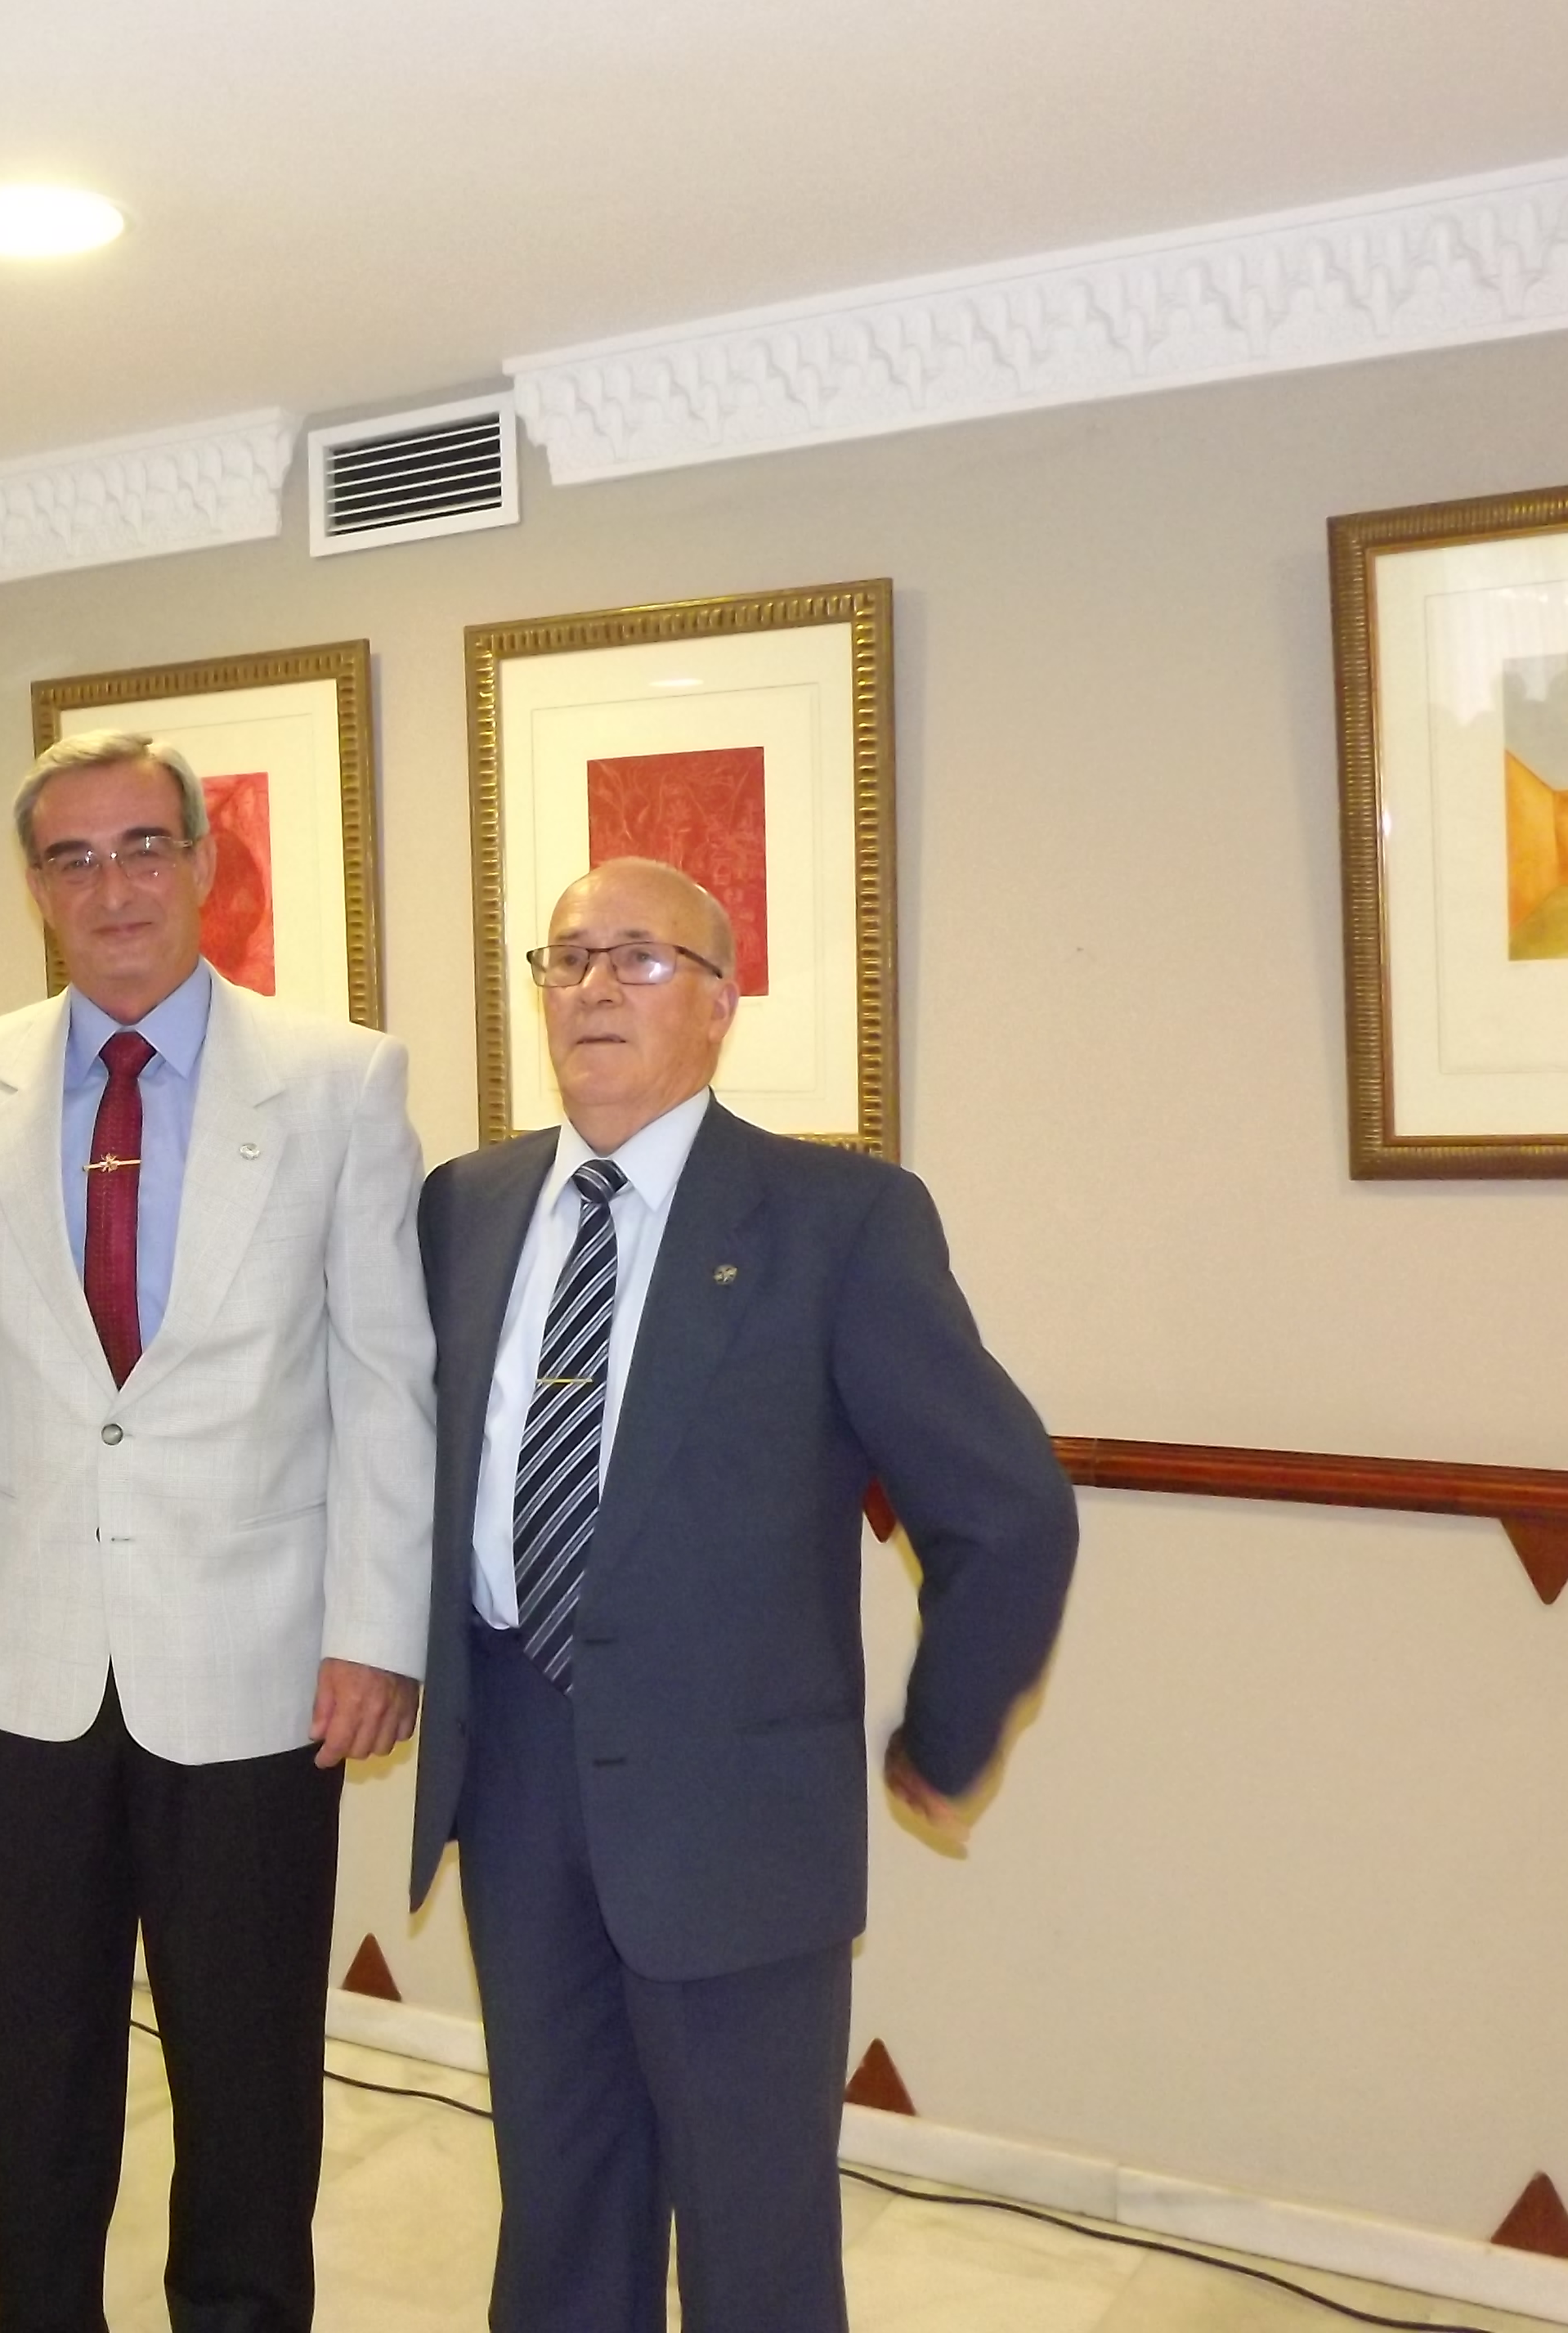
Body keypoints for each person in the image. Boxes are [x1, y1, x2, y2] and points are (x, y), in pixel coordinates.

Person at [407, 856, 1077, 2333]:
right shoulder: (465, 1204)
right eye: (569, 956)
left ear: (720, 1006)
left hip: (733, 1810)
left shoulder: (838, 1220)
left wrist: (946, 1735)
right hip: (515, 1777)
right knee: (559, 2207)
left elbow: (1006, 1508)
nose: (594, 986)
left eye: (641, 959)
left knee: (752, 2237)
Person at [0, 730, 433, 2333]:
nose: (110, 886)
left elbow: (384, 1376)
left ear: (199, 863)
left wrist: (374, 1630)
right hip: (26, 1663)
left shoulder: (337, 1080)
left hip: (258, 1666)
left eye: (140, 848)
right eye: (72, 857)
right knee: (28, 2055)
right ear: (36, 887)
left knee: (246, 2065)